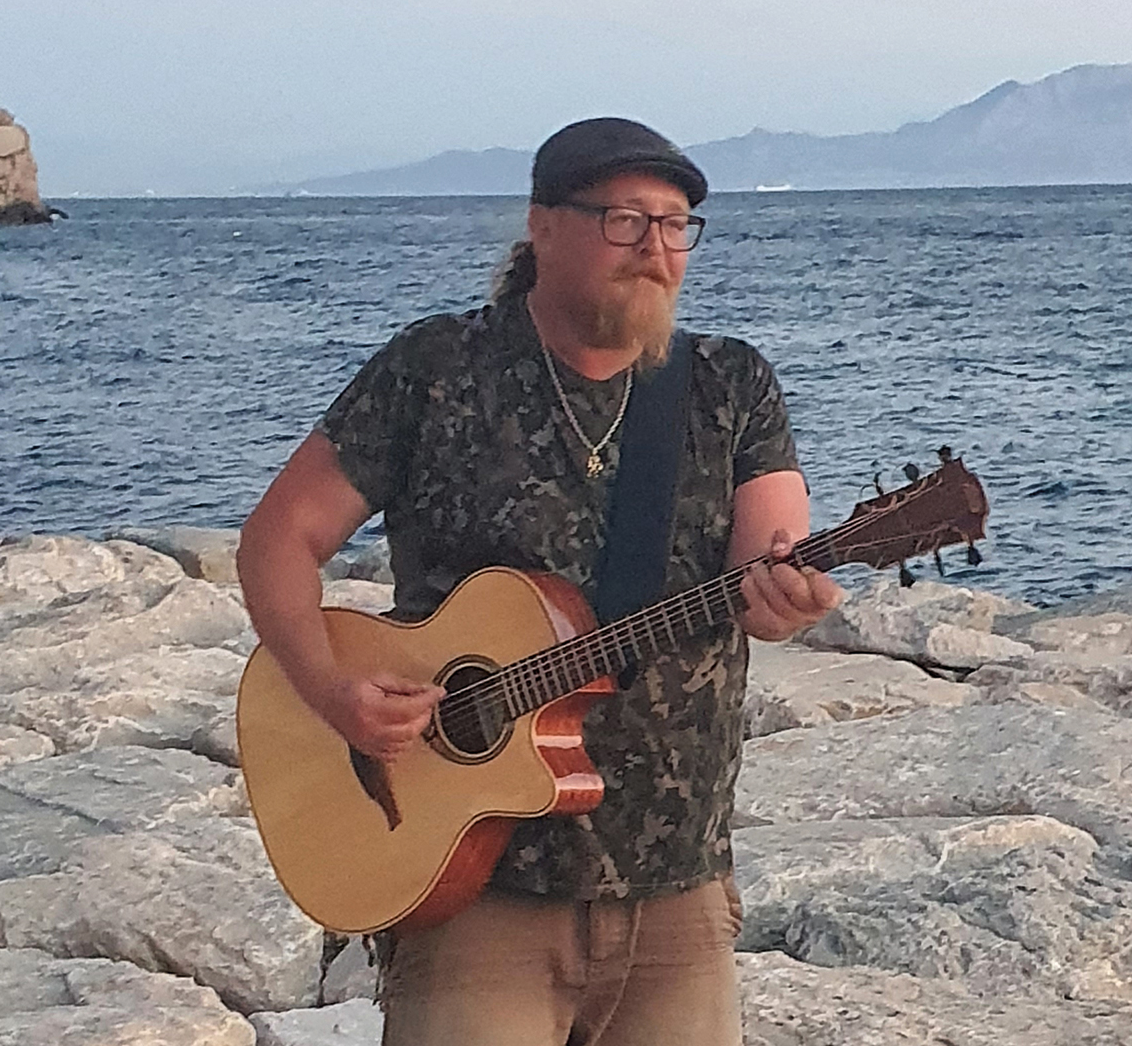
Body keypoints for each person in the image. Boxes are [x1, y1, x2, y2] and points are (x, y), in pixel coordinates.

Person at [236, 116, 843, 1046]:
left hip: (675, 879)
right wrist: (331, 693)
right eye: (625, 220)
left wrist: (788, 600)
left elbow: (770, 563)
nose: (655, 249)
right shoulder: (436, 371)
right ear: (542, 226)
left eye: (677, 225)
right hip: (472, 883)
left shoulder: (729, 386)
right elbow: (277, 540)